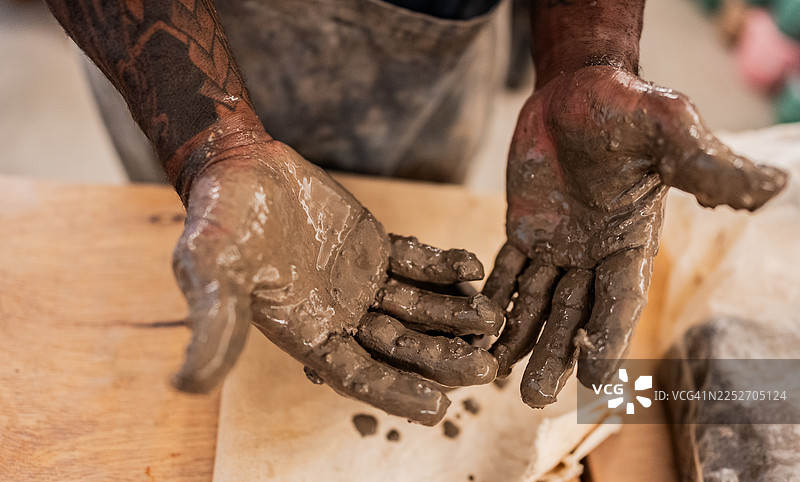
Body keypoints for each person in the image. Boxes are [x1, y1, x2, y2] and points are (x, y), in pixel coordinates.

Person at [44, 0, 786, 425]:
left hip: (435, 40)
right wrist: (215, 144)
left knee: (440, 237)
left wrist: (589, 53)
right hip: (180, 58)